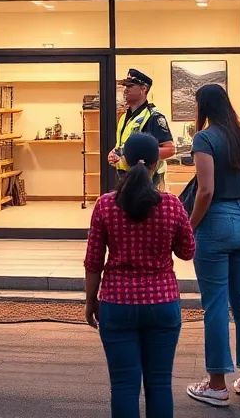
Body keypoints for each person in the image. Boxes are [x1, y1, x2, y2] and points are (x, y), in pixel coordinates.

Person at [85, 132, 195, 418]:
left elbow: (93, 261)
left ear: (124, 161)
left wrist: (90, 301)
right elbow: (187, 252)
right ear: (157, 163)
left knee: (123, 385)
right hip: (162, 303)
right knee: (160, 384)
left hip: (117, 302)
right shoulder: (171, 205)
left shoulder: (105, 204)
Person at [186, 83, 240, 408]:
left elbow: (206, 190)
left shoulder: (204, 139)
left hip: (217, 221)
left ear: (202, 106)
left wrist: (190, 226)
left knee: (216, 303)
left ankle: (217, 384)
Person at [109, 69, 175, 190]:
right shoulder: (124, 117)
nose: (125, 90)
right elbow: (122, 145)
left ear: (143, 89)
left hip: (148, 179)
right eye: (125, 86)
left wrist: (134, 153)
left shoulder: (154, 116)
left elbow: (170, 150)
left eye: (130, 86)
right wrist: (114, 152)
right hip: (125, 177)